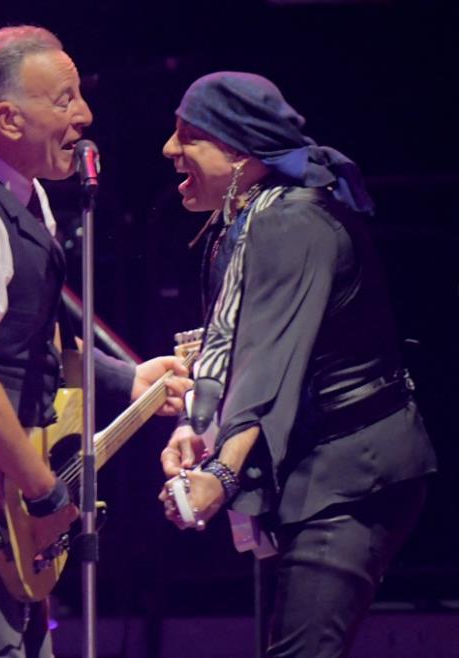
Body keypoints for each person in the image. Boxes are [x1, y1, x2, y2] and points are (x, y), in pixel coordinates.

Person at [0, 25, 191, 658]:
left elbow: (30, 339)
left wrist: (124, 380)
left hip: (1, 487)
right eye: (65, 99)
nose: (85, 115)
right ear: (9, 119)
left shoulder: (22, 191)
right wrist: (47, 493)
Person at [159, 72, 437, 658]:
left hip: (355, 475)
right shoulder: (247, 219)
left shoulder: (292, 220)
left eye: (188, 136)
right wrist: (194, 426)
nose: (169, 149)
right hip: (319, 468)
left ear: (238, 151)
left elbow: (268, 364)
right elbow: (233, 343)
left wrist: (224, 473)